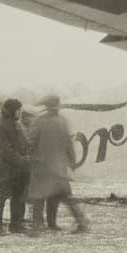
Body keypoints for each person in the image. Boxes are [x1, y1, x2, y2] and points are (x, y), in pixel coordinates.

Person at [27, 95, 89, 234]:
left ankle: (38, 224)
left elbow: (31, 142)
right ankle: (70, 223)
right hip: (59, 167)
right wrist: (72, 162)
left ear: (46, 107)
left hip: (42, 165)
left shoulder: (39, 121)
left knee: (39, 196)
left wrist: (29, 157)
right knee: (63, 195)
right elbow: (69, 144)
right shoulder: (63, 121)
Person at [0, 98, 33, 236]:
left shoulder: (16, 125)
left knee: (19, 198)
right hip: (6, 170)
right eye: (18, 110)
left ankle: (16, 225)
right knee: (2, 197)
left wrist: (30, 152)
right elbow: (5, 151)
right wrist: (23, 160)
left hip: (19, 170)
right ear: (13, 110)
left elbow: (23, 144)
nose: (20, 112)